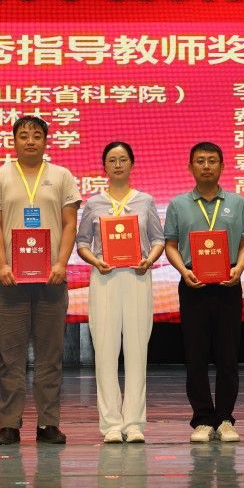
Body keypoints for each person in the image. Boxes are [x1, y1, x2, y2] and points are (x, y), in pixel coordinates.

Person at [0, 116, 82, 445]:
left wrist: (61, 263)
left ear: (46, 141)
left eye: (36, 136)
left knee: (50, 356)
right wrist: (2, 265)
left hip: (52, 279)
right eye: (23, 136)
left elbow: (70, 223)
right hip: (11, 280)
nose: (30, 141)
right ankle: (9, 424)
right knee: (10, 356)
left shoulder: (62, 176)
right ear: (13, 141)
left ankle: (48, 423)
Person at [163, 142, 244, 443]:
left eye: (212, 161)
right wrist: (183, 271)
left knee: (228, 355)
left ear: (222, 166)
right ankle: (202, 419)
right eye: (200, 161)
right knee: (196, 355)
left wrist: (239, 268)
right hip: (193, 284)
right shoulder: (178, 204)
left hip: (228, 284)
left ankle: (225, 418)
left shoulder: (237, 203)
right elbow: (171, 244)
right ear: (190, 167)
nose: (206, 166)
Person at [75, 142, 165, 444]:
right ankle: (111, 423)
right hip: (105, 278)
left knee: (138, 350)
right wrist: (95, 261)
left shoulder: (145, 201)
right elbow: (82, 243)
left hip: (138, 277)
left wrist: (149, 261)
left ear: (131, 164)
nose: (117, 165)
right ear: (104, 166)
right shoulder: (93, 203)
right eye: (112, 160)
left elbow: (158, 239)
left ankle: (135, 423)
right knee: (105, 350)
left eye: (123, 159)